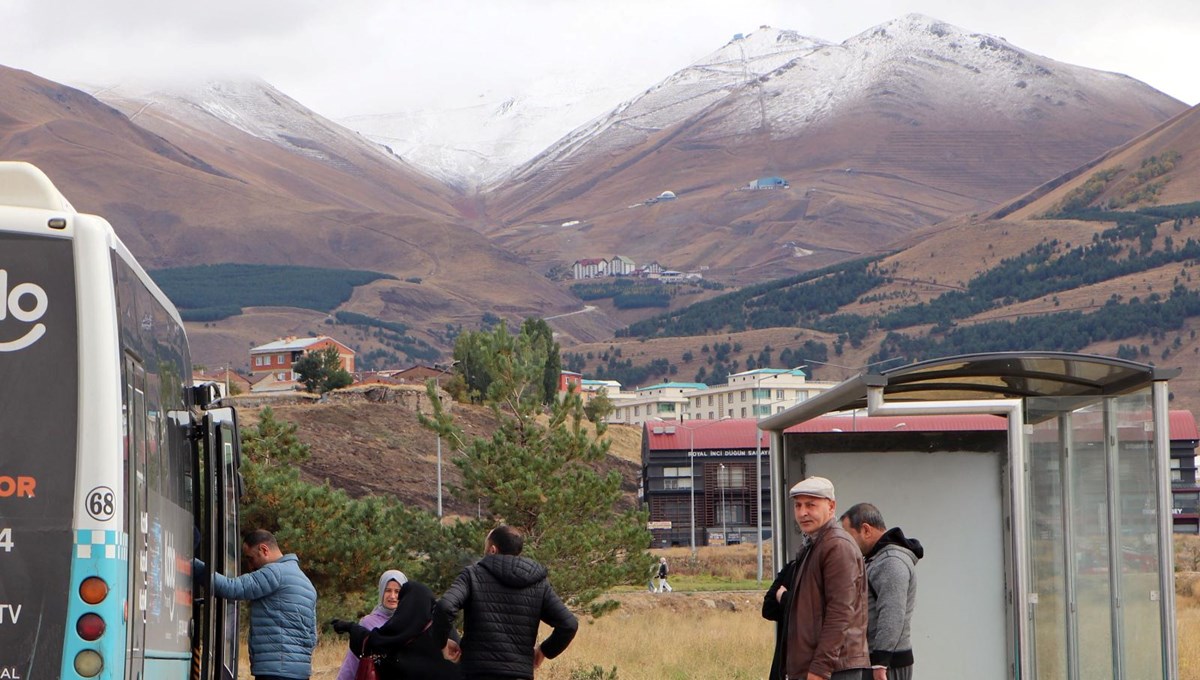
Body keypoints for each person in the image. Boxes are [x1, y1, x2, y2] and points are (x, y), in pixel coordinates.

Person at [431, 525, 578, 680]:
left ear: (493, 550)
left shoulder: (473, 575)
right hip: (520, 674)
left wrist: (442, 644)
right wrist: (544, 651)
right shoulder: (538, 582)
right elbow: (569, 624)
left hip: (477, 672)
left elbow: (445, 606)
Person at [761, 476, 869, 680]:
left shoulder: (836, 546)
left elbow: (840, 612)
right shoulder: (815, 545)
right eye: (798, 505)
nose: (802, 513)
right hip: (819, 667)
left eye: (811, 505)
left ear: (831, 507)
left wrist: (820, 668)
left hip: (833, 670)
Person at [193, 529, 318, 680]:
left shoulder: (274, 572)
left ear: (264, 550)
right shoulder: (306, 583)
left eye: (250, 558)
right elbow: (312, 637)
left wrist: (192, 564)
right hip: (301, 672)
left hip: (275, 672)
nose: (250, 566)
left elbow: (232, 588)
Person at [840, 503, 923, 680]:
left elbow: (892, 613)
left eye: (849, 536)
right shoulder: (875, 559)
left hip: (887, 664)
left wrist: (880, 663)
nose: (846, 544)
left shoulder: (890, 561)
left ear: (866, 530)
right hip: (879, 661)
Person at [332, 578, 463, 680]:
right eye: (388, 590)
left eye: (400, 597)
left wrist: (350, 627)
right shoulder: (445, 630)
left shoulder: (404, 628)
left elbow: (376, 642)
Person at [334, 570, 408, 680]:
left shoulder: (410, 622)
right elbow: (353, 659)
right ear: (382, 591)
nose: (392, 596)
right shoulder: (368, 622)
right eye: (388, 590)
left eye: (397, 591)